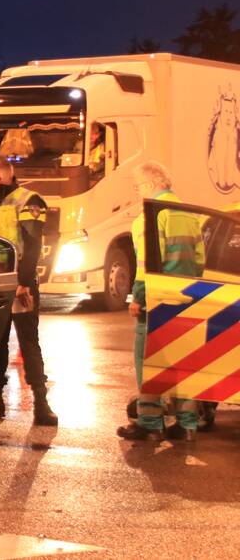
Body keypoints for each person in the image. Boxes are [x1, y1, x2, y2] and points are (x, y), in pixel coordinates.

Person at [117, 161, 205, 441]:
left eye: (138, 185)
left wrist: (138, 297)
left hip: (156, 300)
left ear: (152, 185)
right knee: (182, 361)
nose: (138, 191)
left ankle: (150, 422)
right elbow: (199, 260)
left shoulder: (149, 216)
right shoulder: (190, 214)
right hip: (187, 297)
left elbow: (146, 263)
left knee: (149, 361)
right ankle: (187, 423)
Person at [0, 155, 58, 426]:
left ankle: (41, 404)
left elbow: (33, 246)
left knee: (28, 341)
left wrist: (23, 282)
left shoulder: (29, 200)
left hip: (20, 284)